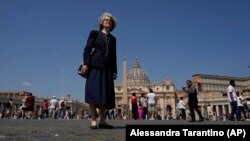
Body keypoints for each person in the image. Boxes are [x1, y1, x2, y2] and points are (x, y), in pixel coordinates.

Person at [79, 12, 118, 129]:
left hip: (108, 68)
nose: (108, 21)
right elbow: (87, 49)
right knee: (93, 93)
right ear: (102, 22)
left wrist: (114, 70)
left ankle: (103, 121)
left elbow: (114, 55)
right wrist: (86, 64)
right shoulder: (95, 33)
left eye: (110, 20)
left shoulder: (113, 39)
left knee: (104, 96)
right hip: (95, 65)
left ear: (112, 24)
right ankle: (93, 120)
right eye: (106, 19)